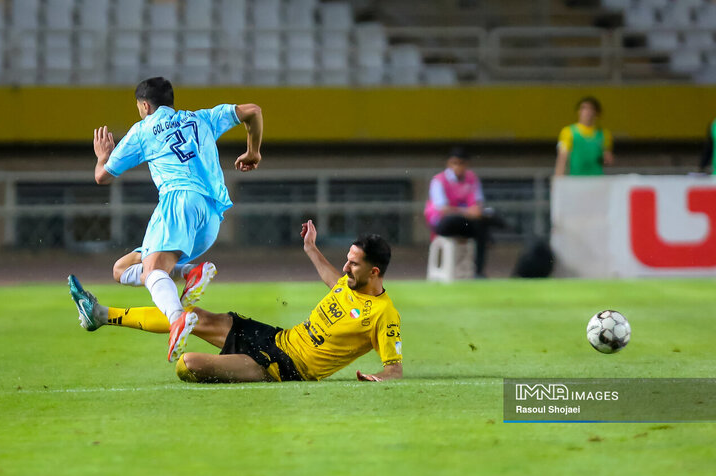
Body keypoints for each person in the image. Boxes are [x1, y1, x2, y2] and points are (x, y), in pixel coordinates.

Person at [67, 220, 403, 383]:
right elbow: (335, 282)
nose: (345, 267)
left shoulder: (384, 315)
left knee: (188, 365)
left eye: (353, 264)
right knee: (191, 314)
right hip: (277, 337)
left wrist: (379, 378)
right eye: (347, 260)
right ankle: (100, 314)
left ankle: (243, 367)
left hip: (286, 368)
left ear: (374, 272)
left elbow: (395, 368)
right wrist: (311, 250)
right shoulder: (349, 285)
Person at [90, 76, 263, 363]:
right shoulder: (202, 118)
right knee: (122, 269)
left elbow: (102, 177)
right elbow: (253, 110)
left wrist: (101, 157)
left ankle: (177, 318)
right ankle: (190, 272)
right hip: (210, 217)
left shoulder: (143, 130)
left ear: (145, 105)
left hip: (178, 201)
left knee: (152, 272)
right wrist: (253, 151)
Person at [424, 147, 497, 278]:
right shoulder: (439, 180)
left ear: (466, 164)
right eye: (454, 163)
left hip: (466, 222)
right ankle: (492, 234)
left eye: (461, 163)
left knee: (483, 225)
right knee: (460, 220)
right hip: (443, 223)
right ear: (448, 164)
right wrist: (467, 212)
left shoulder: (472, 179)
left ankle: (478, 272)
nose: (457, 167)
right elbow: (443, 209)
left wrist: (475, 212)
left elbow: (478, 203)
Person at [554, 96, 614, 177]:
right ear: (579, 111)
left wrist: (607, 159)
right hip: (576, 179)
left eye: (591, 109)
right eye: (584, 108)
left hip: (597, 179)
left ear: (597, 113)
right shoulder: (568, 132)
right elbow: (562, 158)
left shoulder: (604, 134)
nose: (587, 112)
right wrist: (558, 177)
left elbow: (607, 156)